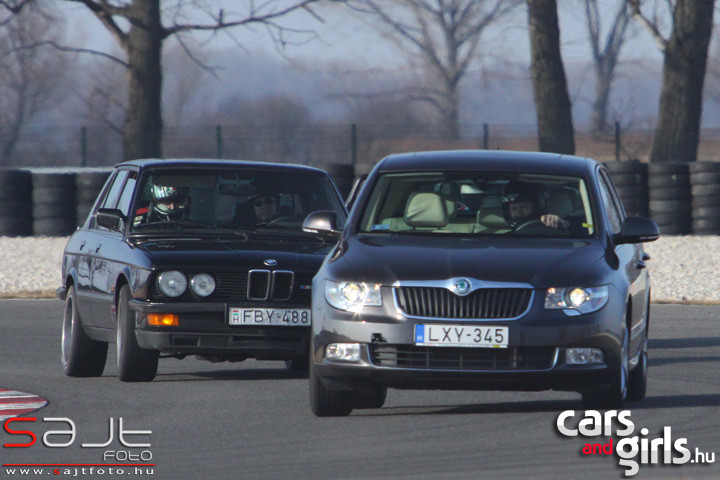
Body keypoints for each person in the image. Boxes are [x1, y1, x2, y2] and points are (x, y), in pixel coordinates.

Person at [501, 180, 568, 230]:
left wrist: (561, 224)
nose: (518, 213)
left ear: (537, 206)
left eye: (524, 207)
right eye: (514, 208)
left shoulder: (554, 224)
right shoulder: (506, 239)